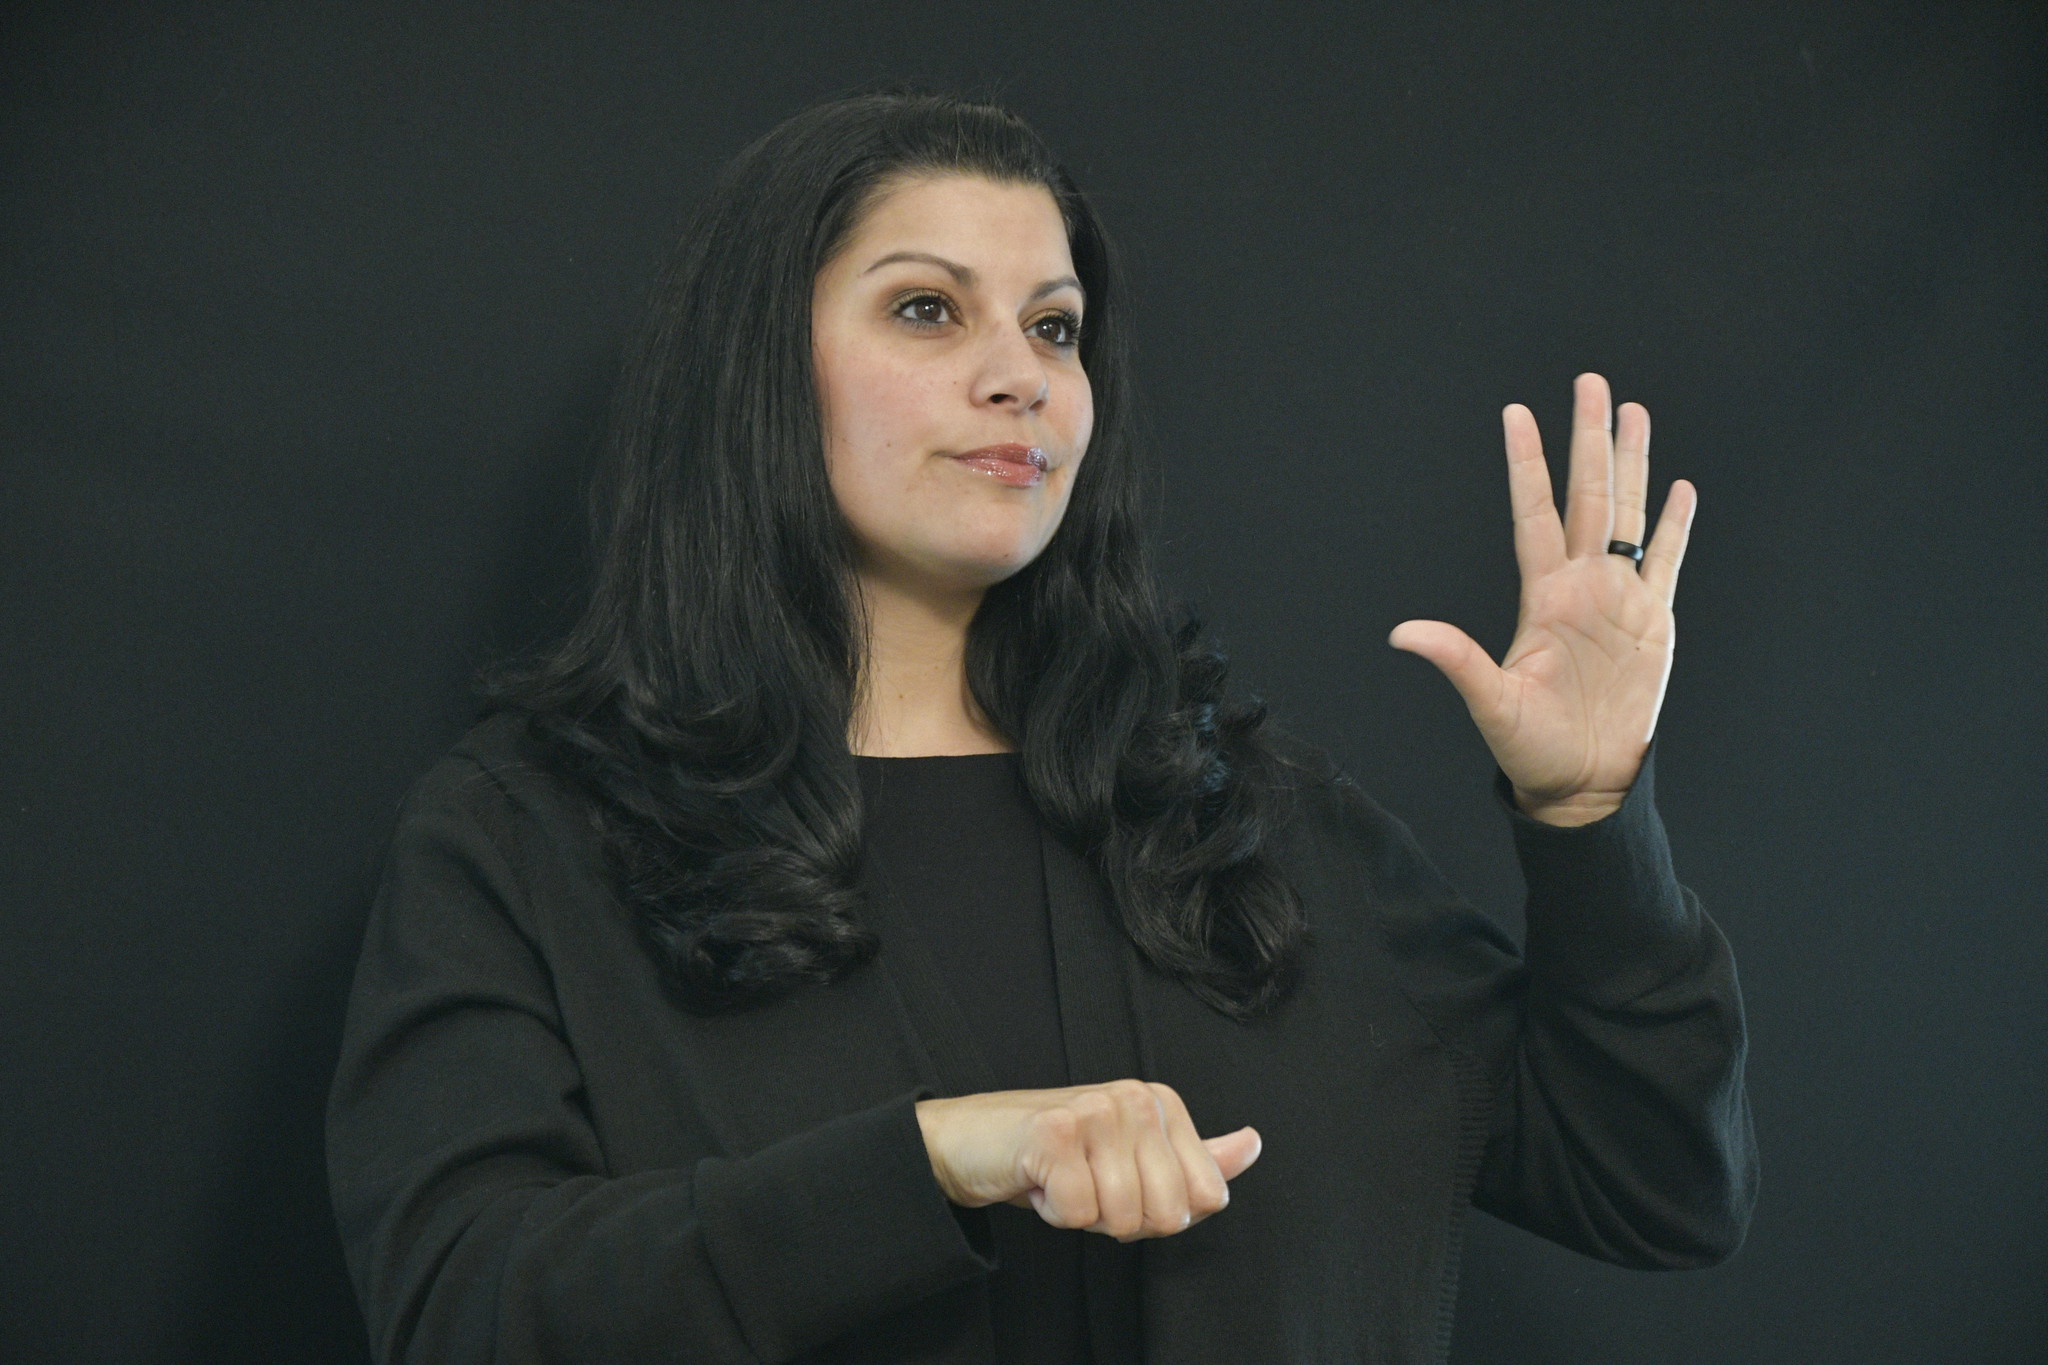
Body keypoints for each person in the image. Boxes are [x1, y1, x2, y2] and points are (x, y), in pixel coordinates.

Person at [326, 87, 1757, 1364]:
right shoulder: (527, 833)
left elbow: (1655, 1183)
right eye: (927, 309)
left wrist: (1589, 819)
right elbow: (462, 1306)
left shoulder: (1231, 816)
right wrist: (939, 1157)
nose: (1021, 374)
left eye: (1055, 327)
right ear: (759, 369)